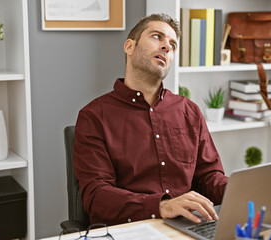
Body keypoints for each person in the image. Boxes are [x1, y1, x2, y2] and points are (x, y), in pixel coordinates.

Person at [73, 13, 229, 226]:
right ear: (129, 47)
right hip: (130, 230)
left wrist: (239, 190)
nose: (167, 46)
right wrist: (162, 206)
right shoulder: (94, 117)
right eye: (157, 37)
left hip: (189, 226)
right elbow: (97, 196)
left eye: (172, 45)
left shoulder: (189, 111)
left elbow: (208, 177)